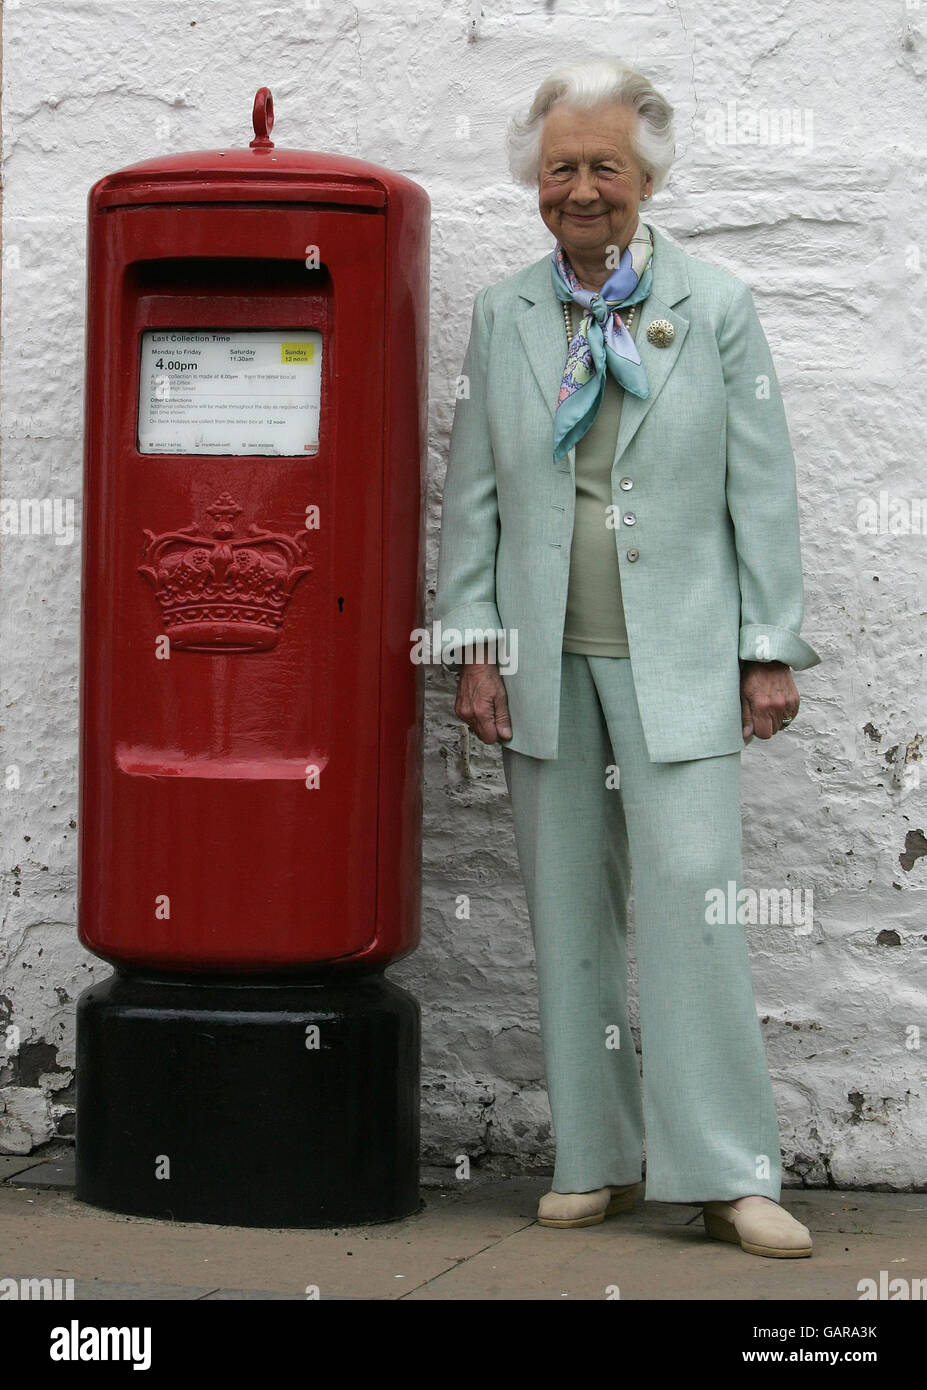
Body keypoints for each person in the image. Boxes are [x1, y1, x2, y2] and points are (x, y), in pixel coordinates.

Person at [433, 57, 821, 1259]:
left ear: (648, 173)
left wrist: (769, 648)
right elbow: (477, 498)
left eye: (607, 165)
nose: (583, 189)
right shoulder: (506, 315)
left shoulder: (715, 304)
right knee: (568, 906)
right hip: (547, 657)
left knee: (695, 896)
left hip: (690, 654)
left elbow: (762, 486)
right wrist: (476, 649)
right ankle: (593, 1153)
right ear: (535, 180)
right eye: (563, 167)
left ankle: (726, 1171)